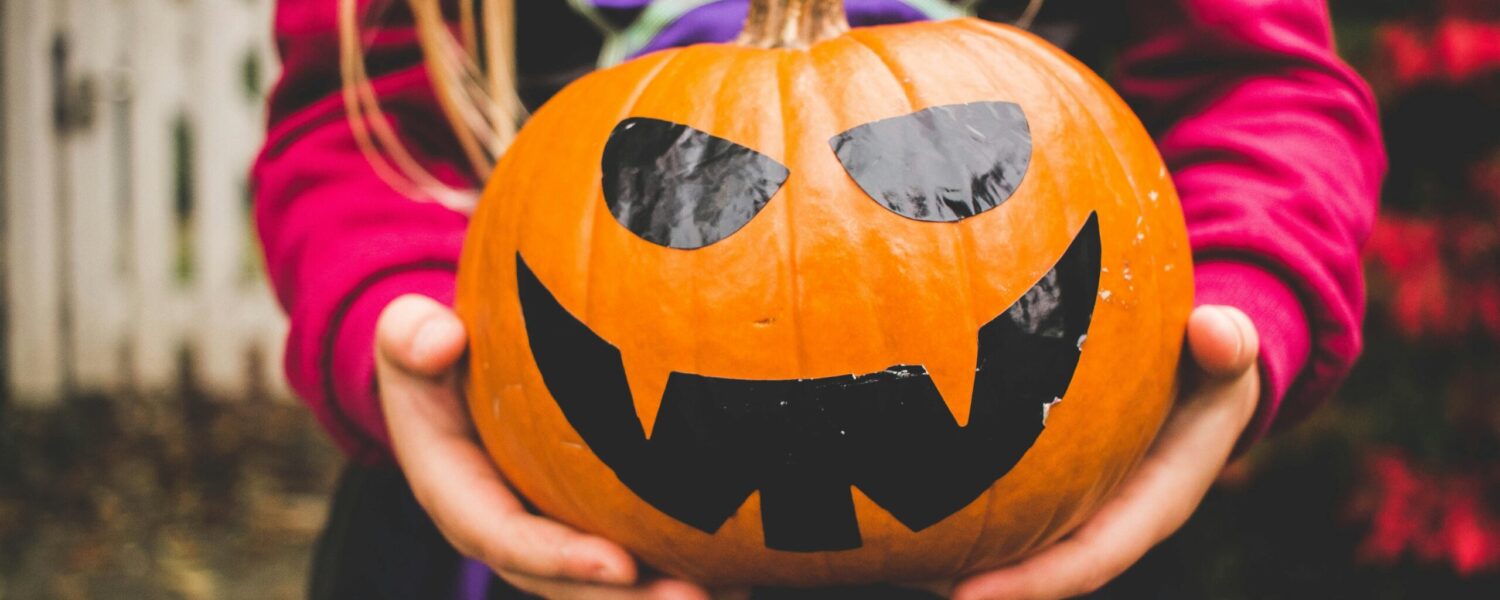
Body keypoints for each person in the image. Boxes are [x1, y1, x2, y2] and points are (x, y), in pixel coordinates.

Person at [253, 0, 1385, 598]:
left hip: (1055, 524)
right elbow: (357, 128)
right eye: (679, 189)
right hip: (512, 530)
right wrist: (395, 327)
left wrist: (1244, 297)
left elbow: (1261, 89)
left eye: (944, 173)